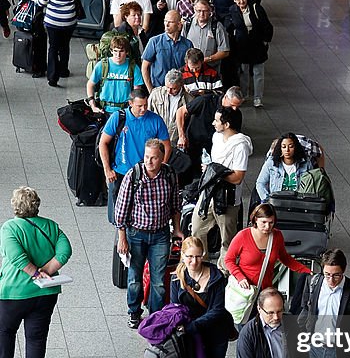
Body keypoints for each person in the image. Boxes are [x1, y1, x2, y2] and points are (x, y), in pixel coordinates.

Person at [0, 187, 72, 358]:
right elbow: (65, 250)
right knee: (37, 337)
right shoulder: (51, 226)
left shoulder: (10, 228)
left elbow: (16, 256)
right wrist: (48, 271)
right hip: (45, 293)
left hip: (14, 292)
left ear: (15, 205)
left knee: (6, 330)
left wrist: (34, 272)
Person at [114, 138, 183, 329]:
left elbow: (175, 205)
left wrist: (177, 229)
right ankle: (134, 312)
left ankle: (156, 315)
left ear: (162, 158)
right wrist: (122, 238)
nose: (149, 162)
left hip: (160, 234)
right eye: (146, 157)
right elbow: (121, 209)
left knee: (159, 281)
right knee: (134, 278)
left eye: (153, 158)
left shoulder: (169, 174)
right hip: (136, 234)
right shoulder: (133, 175)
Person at [170, 236, 236, 358]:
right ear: (183, 256)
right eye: (189, 256)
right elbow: (175, 309)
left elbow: (217, 311)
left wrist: (191, 326)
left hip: (215, 337)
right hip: (191, 339)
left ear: (204, 255)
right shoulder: (177, 278)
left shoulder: (216, 278)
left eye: (198, 256)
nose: (194, 261)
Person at [98, 87, 171, 225]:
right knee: (119, 216)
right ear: (130, 103)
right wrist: (107, 169)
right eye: (139, 106)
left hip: (145, 174)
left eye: (145, 105)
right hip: (121, 172)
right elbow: (103, 143)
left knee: (141, 212)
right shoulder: (118, 118)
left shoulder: (155, 120)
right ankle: (120, 241)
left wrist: (161, 167)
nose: (143, 109)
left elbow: (166, 146)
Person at [191, 106, 251, 270]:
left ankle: (224, 271)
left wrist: (215, 172)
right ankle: (200, 263)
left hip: (227, 198)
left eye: (217, 120)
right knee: (197, 227)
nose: (213, 123)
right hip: (209, 193)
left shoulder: (241, 146)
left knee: (227, 239)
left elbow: (238, 178)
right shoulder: (216, 137)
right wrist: (210, 169)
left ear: (226, 124)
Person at [224, 0, 273, 105]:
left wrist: (265, 40)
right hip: (241, 47)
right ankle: (244, 94)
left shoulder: (256, 8)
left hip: (257, 45)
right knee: (243, 71)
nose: (241, 1)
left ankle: (258, 98)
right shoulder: (232, 10)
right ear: (235, 0)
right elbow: (228, 27)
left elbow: (267, 26)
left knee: (258, 72)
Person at [87, 34, 144, 114]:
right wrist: (93, 105)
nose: (118, 55)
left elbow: (136, 91)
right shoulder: (102, 65)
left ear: (127, 52)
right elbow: (90, 84)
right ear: (111, 51)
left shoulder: (133, 67)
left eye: (121, 51)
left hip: (125, 110)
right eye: (115, 51)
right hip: (104, 110)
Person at [141, 11, 193, 90]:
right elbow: (144, 67)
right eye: (165, 21)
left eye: (170, 22)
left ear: (179, 25)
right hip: (159, 89)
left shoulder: (187, 44)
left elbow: (191, 68)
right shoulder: (154, 41)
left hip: (180, 89)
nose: (166, 24)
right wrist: (151, 90)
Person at [255, 133, 311, 204]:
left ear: (296, 147)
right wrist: (267, 200)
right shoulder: (271, 162)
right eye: (284, 147)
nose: (287, 150)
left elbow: (312, 184)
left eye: (291, 146)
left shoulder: (306, 162)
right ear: (280, 148)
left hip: (298, 204)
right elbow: (260, 183)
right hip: (277, 203)